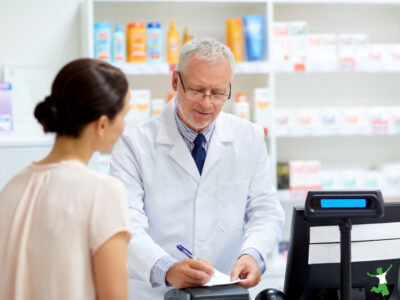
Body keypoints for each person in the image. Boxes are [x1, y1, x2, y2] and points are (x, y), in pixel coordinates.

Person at [111, 38, 285, 299]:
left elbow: (265, 210)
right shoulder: (134, 144)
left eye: (217, 93)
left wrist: (253, 254)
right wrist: (166, 268)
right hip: (157, 292)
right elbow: (126, 223)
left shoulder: (248, 137)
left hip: (225, 289)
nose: (206, 103)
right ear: (175, 82)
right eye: (196, 90)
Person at [0, 58, 131, 300]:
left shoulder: (11, 188)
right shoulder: (102, 192)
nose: (125, 126)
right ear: (102, 124)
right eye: (124, 115)